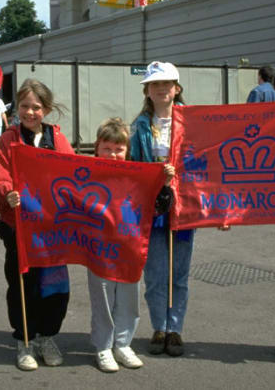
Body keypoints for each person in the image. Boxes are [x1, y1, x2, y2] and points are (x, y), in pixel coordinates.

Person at [0, 79, 72, 371]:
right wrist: (7, 191)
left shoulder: (57, 138)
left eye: (36, 107)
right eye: (24, 106)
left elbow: (73, 173)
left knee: (53, 287)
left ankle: (46, 337)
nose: (30, 112)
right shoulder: (8, 139)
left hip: (51, 231)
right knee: (22, 286)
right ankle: (24, 340)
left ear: (46, 109)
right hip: (18, 228)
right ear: (17, 108)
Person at [88, 117, 175, 372]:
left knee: (128, 297)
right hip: (98, 248)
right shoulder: (87, 173)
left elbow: (158, 207)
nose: (113, 155)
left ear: (127, 151)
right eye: (107, 149)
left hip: (129, 247)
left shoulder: (137, 177)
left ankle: (123, 343)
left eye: (119, 149)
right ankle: (103, 346)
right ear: (96, 148)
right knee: (102, 298)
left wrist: (165, 184)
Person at [129, 61, 195, 357]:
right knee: (156, 273)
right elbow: (131, 166)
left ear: (176, 88)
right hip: (153, 208)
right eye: (155, 84)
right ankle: (159, 326)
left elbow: (205, 164)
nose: (161, 88)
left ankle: (175, 328)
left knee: (178, 274)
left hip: (184, 209)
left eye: (166, 83)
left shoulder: (192, 122)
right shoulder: (139, 126)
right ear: (147, 90)